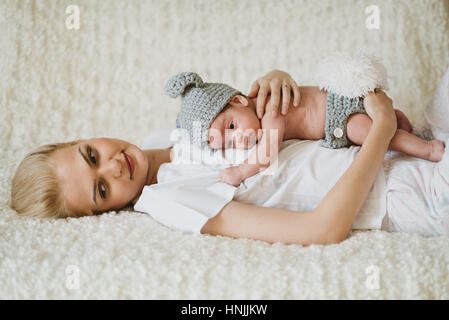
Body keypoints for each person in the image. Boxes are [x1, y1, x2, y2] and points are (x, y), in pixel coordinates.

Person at [10, 70, 449, 245]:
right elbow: (322, 229)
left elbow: (276, 119)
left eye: (91, 153)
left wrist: (280, 79)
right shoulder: (170, 200)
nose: (112, 165)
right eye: (101, 189)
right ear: (100, 212)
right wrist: (383, 133)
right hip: (406, 190)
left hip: (408, 135)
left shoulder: (170, 132)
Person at [165, 71, 445, 187]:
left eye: (232, 127)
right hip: (338, 112)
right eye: (226, 143)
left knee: (373, 135)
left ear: (239, 100)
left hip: (339, 112)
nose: (237, 140)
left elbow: (267, 153)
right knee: (380, 128)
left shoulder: (270, 109)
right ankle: (401, 125)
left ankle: (428, 149)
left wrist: (240, 172)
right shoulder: (253, 116)